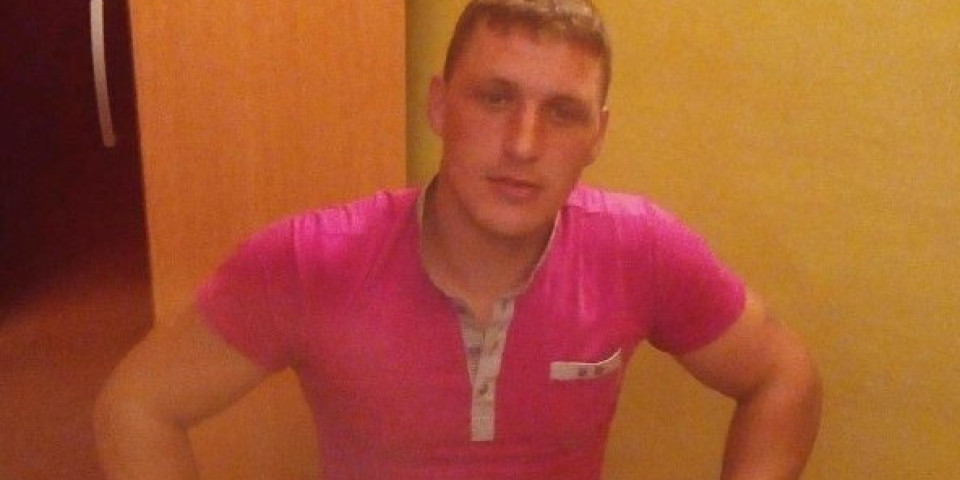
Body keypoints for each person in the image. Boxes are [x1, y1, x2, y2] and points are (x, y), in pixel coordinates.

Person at [94, 1, 822, 479]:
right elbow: (137, 406)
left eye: (562, 112)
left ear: (597, 136)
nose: (524, 144)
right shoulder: (312, 260)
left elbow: (782, 376)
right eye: (495, 98)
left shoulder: (640, 250)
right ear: (441, 106)